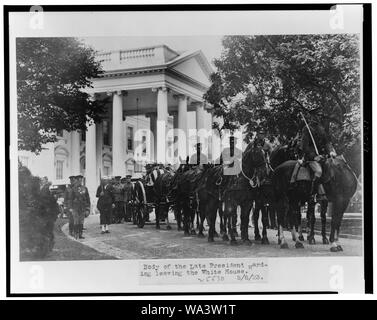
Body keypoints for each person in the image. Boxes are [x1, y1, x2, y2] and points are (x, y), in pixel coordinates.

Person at [299, 112, 336, 196]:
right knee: (318, 171)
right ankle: (313, 194)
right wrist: (314, 156)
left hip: (322, 156)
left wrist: (330, 151)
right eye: (316, 115)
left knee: (333, 167)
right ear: (311, 117)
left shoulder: (321, 128)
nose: (318, 117)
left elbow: (327, 142)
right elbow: (304, 146)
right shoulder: (306, 128)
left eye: (319, 115)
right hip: (311, 158)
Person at [71, 174, 90, 239]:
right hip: (75, 207)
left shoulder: (85, 188)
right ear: (76, 180)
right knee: (76, 221)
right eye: (78, 180)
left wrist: (88, 208)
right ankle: (76, 234)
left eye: (81, 180)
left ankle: (80, 234)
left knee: (81, 221)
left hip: (83, 207)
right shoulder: (73, 189)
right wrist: (71, 208)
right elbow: (71, 199)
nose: (80, 181)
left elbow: (88, 199)